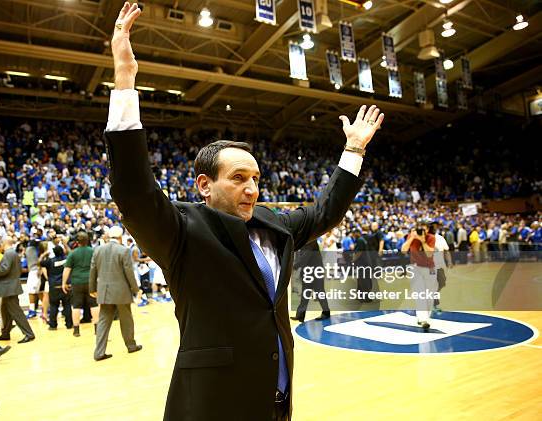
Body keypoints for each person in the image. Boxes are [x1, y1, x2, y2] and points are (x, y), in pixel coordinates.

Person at [105, 4, 383, 420]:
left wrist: (354, 150)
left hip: (275, 402)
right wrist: (125, 80)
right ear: (205, 185)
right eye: (238, 178)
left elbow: (326, 211)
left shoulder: (275, 223)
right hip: (215, 406)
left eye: (255, 178)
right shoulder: (182, 232)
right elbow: (134, 191)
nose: (251, 188)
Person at [89, 226, 142, 361]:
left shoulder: (98, 250)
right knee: (126, 320)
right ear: (120, 237)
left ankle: (99, 352)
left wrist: (92, 289)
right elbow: (129, 273)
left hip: (104, 291)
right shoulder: (124, 251)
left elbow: (93, 271)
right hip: (121, 292)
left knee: (103, 322)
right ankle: (131, 345)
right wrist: (136, 290)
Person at [0, 237, 35, 343]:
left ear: (3, 243)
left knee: (16, 311)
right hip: (10, 286)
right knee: (5, 311)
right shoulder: (13, 253)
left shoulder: (8, 253)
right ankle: (5, 333)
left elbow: (4, 269)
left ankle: (29, 334)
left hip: (8, 287)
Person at [401, 221, 437, 331]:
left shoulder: (431, 238)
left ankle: (423, 317)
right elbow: (403, 250)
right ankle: (423, 319)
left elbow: (429, 253)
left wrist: (423, 241)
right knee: (419, 293)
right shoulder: (411, 236)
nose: (423, 232)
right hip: (415, 268)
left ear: (428, 230)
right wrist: (412, 238)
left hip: (429, 268)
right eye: (421, 229)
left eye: (425, 230)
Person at [62, 232, 97, 337]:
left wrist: (64, 283)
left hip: (76, 282)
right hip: (90, 281)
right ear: (88, 241)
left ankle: (76, 330)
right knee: (94, 305)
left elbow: (67, 269)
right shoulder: (93, 251)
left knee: (76, 306)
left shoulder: (73, 253)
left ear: (77, 242)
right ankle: (97, 329)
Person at [290, 240, 330, 323]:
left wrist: (294, 266)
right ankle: (300, 315)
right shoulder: (306, 241)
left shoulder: (311, 241)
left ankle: (326, 312)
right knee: (305, 294)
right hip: (308, 272)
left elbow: (305, 256)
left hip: (316, 272)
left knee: (319, 292)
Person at [40, 245, 72, 330]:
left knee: (54, 306)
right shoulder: (67, 259)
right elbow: (70, 253)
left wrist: (43, 255)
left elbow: (39, 263)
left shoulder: (50, 261)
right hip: (65, 285)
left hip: (54, 286)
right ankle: (69, 324)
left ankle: (53, 325)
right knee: (67, 305)